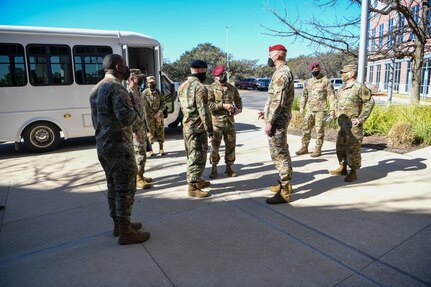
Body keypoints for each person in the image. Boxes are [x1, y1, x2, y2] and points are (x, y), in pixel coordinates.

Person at [89, 54, 150, 245]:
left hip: (103, 146)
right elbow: (126, 118)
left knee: (113, 187)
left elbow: (95, 120)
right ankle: (126, 232)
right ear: (118, 67)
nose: (126, 68)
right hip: (119, 147)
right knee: (125, 188)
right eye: (124, 66)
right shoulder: (117, 89)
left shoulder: (96, 89)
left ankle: (120, 225)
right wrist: (136, 111)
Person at [258, 44, 295, 205]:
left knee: (279, 154)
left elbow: (278, 101)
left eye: (271, 54)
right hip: (277, 117)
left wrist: (270, 121)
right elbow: (274, 99)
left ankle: (285, 191)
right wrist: (266, 113)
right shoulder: (280, 72)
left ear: (278, 55)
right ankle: (285, 184)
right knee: (282, 151)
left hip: (278, 120)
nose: (270, 57)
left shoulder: (282, 73)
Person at [329, 64, 375, 182]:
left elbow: (370, 102)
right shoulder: (341, 88)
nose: (342, 75)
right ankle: (343, 167)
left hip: (353, 126)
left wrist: (360, 119)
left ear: (351, 74)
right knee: (340, 146)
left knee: (353, 149)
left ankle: (353, 172)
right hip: (342, 125)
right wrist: (333, 110)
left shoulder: (359, 87)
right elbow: (337, 102)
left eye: (344, 72)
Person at [178, 60, 213, 198]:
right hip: (197, 128)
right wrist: (209, 130)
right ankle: (192, 186)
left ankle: (197, 179)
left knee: (190, 154)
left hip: (187, 126)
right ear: (199, 71)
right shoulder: (199, 87)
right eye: (205, 71)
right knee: (197, 156)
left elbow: (182, 108)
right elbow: (204, 111)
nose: (206, 74)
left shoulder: (182, 86)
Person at [207, 65, 243, 179]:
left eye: (222, 75)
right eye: (218, 76)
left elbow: (238, 100)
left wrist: (238, 109)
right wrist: (223, 106)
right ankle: (214, 168)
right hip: (216, 124)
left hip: (229, 123)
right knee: (214, 148)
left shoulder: (232, 88)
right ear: (214, 77)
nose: (221, 77)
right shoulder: (210, 89)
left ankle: (229, 168)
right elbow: (208, 105)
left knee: (231, 146)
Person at [296, 62, 336, 157]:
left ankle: (318, 149)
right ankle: (304, 147)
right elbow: (304, 95)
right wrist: (302, 107)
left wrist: (332, 109)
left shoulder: (326, 81)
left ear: (320, 69)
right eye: (313, 70)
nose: (315, 71)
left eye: (317, 69)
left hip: (321, 110)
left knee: (319, 131)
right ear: (311, 71)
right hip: (309, 110)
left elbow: (331, 96)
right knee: (305, 129)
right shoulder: (308, 82)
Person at [127, 69, 152, 190]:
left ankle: (141, 175)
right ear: (131, 79)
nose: (141, 79)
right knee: (139, 154)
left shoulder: (139, 92)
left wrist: (146, 128)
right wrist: (135, 130)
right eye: (138, 77)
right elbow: (129, 114)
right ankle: (138, 178)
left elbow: (142, 112)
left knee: (142, 153)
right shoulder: (128, 93)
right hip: (135, 129)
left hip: (141, 127)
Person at [143, 76, 166, 156]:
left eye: (153, 82)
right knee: (150, 133)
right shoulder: (144, 93)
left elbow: (163, 103)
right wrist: (154, 115)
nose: (152, 84)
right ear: (147, 83)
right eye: (150, 83)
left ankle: (161, 148)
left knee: (160, 131)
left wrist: (159, 112)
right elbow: (145, 106)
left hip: (159, 116)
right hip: (150, 117)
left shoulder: (159, 92)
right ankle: (150, 150)